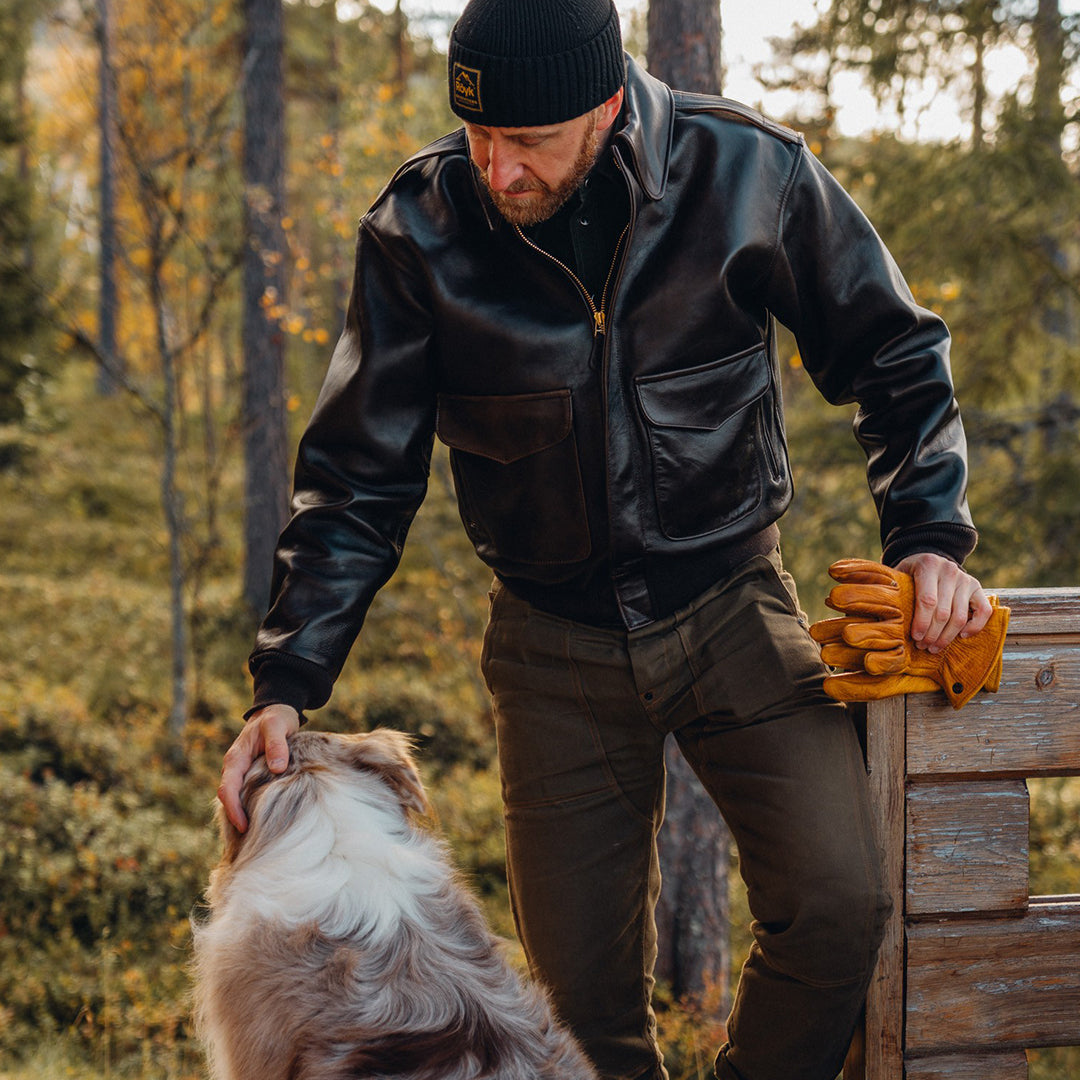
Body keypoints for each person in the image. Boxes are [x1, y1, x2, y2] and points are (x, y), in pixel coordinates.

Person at [219, 2, 994, 1077]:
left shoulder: (747, 173)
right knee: (575, 1018)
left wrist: (928, 536)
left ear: (609, 104)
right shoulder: (417, 230)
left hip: (733, 603)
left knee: (838, 906)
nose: (497, 169)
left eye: (527, 142)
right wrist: (286, 681)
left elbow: (893, 354)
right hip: (552, 642)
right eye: (478, 136)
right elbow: (356, 478)